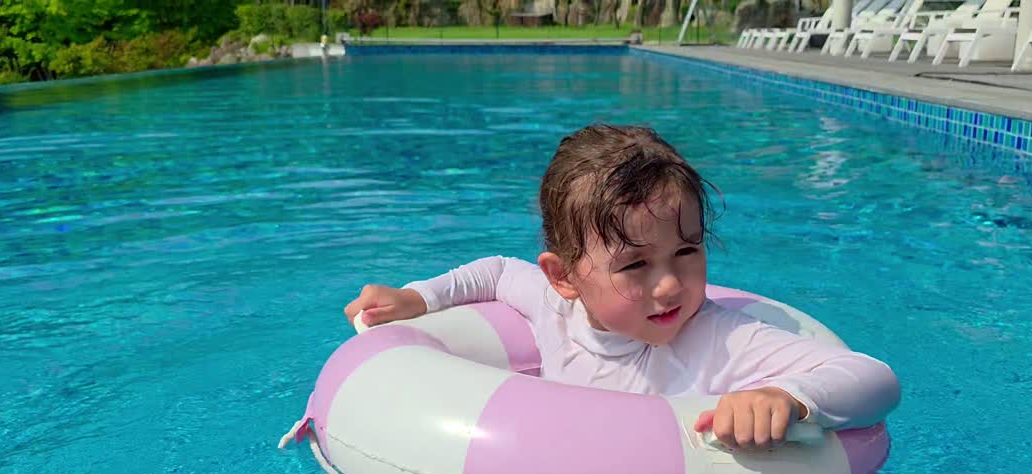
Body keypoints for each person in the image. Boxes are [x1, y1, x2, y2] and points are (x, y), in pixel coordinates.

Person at [344, 124, 900, 449]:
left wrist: (785, 397)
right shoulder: (550, 306)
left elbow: (872, 377)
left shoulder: (719, 339)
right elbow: (493, 271)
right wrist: (419, 296)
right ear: (563, 277)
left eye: (687, 251)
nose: (669, 286)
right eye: (635, 266)